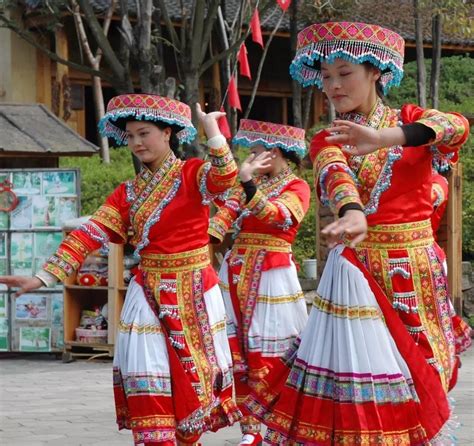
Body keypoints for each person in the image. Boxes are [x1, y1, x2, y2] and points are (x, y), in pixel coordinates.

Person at [244, 21, 471, 445]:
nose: (332, 85)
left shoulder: (411, 122)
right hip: (360, 275)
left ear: (376, 73)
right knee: (361, 391)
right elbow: (335, 174)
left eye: (344, 73)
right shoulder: (326, 137)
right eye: (325, 76)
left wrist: (386, 137)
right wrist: (352, 211)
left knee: (428, 372)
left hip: (416, 270)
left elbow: (456, 125)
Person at [0, 94, 242, 445]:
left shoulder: (193, 174)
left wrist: (212, 131)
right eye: (129, 136)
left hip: (193, 294)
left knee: (191, 386)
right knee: (148, 380)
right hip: (147, 296)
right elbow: (89, 233)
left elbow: (225, 178)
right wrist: (43, 277)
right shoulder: (127, 194)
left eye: (144, 133)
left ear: (168, 134)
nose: (136, 143)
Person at [209, 119, 310, 445]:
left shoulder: (297, 187)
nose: (250, 159)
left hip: (271, 274)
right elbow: (223, 216)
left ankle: (279, 428)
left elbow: (278, 217)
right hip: (237, 270)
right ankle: (251, 430)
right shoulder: (251, 183)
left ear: (274, 152)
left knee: (272, 352)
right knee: (239, 352)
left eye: (254, 153)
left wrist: (248, 183)